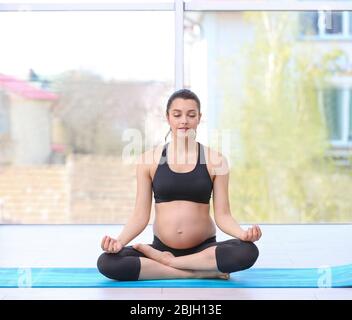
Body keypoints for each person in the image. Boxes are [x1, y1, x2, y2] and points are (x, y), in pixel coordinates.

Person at [97, 89, 262, 281]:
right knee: (107, 262)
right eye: (177, 115)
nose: (184, 120)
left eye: (191, 115)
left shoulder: (216, 161)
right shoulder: (148, 161)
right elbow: (140, 216)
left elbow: (223, 216)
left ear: (199, 118)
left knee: (248, 251)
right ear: (168, 118)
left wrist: (243, 234)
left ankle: (169, 264)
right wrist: (118, 242)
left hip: (204, 249)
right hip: (161, 248)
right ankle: (199, 272)